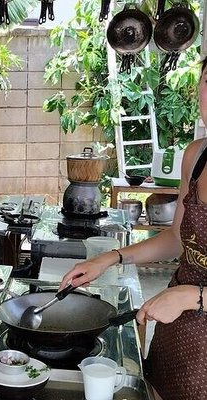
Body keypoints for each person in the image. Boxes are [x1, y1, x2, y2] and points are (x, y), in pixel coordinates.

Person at [59, 59, 207, 400]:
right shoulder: (197, 156)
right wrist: (109, 258)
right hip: (179, 331)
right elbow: (176, 238)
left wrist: (194, 297)